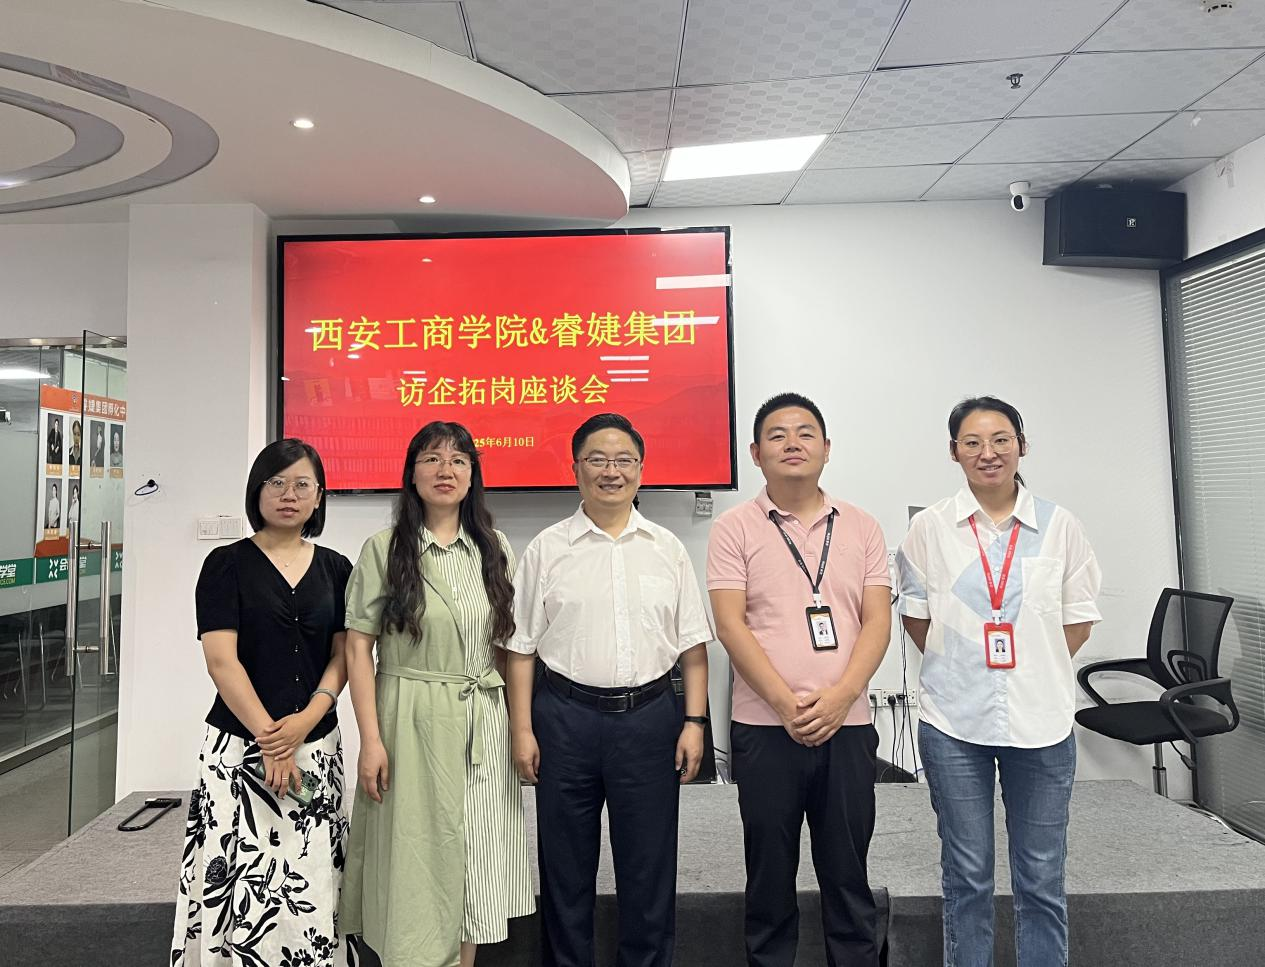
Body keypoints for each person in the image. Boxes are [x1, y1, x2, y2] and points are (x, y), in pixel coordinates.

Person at [896, 396, 1101, 967]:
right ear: (954, 452)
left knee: (1041, 875)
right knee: (967, 875)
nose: (988, 453)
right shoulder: (930, 528)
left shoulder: (1060, 527)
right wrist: (967, 669)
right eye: (972, 442)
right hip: (953, 721)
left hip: (1042, 721)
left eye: (1001, 440)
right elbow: (916, 615)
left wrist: (1031, 667)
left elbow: (1077, 619)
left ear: (1021, 445)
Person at [506, 413, 711, 967]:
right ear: (575, 468)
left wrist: (694, 723)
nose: (611, 471)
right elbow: (520, 649)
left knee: (648, 868)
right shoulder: (547, 549)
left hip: (649, 719)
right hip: (564, 718)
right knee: (564, 867)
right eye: (597, 459)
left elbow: (693, 648)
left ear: (641, 469)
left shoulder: (667, 548)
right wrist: (522, 729)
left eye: (623, 460)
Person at [340, 421, 533, 967]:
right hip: (411, 718)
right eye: (431, 458)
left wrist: (520, 728)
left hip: (482, 720)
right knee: (417, 855)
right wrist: (370, 740)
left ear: (472, 476)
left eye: (458, 460)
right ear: (411, 474)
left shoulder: (494, 548)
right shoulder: (384, 550)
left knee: (476, 856)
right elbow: (358, 648)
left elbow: (506, 648)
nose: (445, 470)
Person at [707, 392, 891, 967]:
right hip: (764, 727)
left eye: (806, 433)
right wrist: (787, 704)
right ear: (755, 453)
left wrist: (841, 698)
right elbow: (730, 625)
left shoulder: (862, 526)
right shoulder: (733, 528)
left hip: (848, 726)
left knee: (848, 874)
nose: (793, 443)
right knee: (768, 876)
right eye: (778, 435)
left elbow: (877, 622)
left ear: (827, 449)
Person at [171, 438, 355, 966]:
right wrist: (273, 740)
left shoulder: (337, 568)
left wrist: (307, 719)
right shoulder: (225, 564)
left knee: (310, 876)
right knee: (238, 876)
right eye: (276, 483)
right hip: (239, 750)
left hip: (316, 747)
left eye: (302, 484)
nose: (289, 495)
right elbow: (221, 661)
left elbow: (343, 656)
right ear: (257, 491)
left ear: (319, 496)